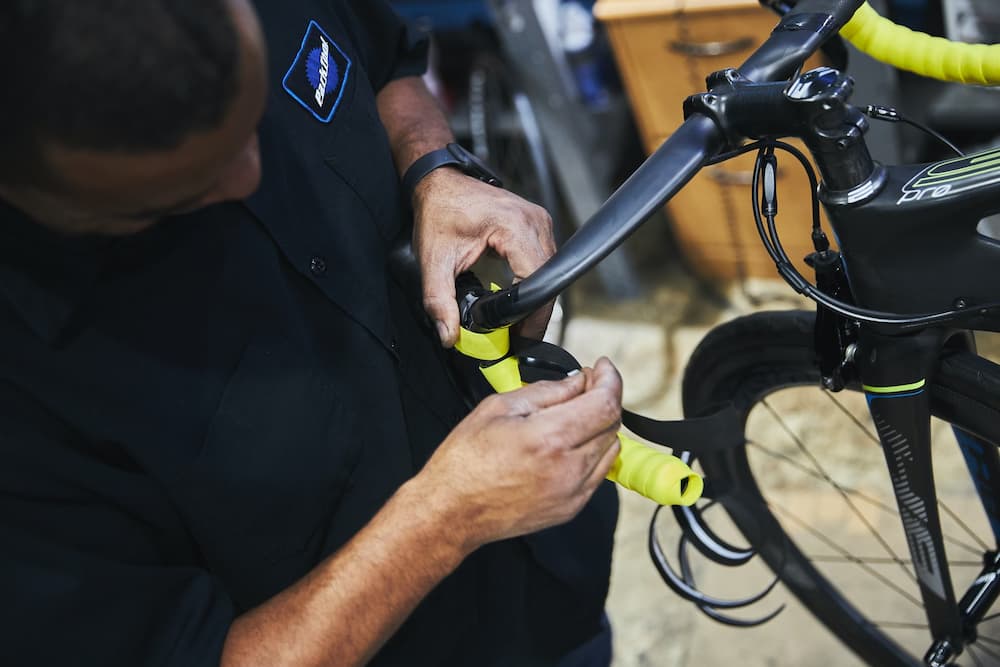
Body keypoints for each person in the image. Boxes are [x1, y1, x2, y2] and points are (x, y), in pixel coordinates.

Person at [0, 1, 624, 665]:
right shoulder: (24, 407)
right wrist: (447, 518)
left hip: (550, 583)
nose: (254, 173)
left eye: (260, 114)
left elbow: (385, 63)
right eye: (181, 197)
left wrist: (432, 168)